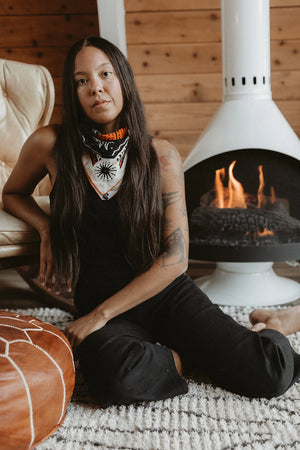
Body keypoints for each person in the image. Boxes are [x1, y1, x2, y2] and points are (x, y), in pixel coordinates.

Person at [2, 36, 300, 407]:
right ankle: (185, 357)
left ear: (123, 79)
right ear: (74, 91)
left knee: (268, 372)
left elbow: (176, 259)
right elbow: (12, 193)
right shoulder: (51, 144)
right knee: (116, 378)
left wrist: (98, 317)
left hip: (166, 296)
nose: (95, 86)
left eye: (105, 73)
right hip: (100, 297)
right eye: (81, 80)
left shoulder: (161, 156)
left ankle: (275, 325)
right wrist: (45, 227)